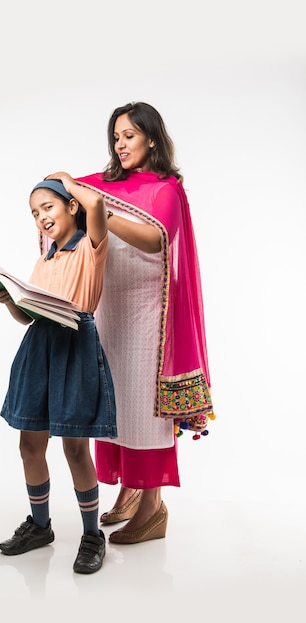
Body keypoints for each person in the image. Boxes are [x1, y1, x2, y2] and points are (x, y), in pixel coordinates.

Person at [76, 102, 215, 544]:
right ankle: (129, 490)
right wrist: (61, 184)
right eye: (116, 137)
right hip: (108, 312)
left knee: (143, 410)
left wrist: (100, 214)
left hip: (146, 318)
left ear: (151, 138)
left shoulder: (166, 188)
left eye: (129, 136)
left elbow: (157, 239)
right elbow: (68, 196)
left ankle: (153, 509)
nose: (120, 145)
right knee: (113, 408)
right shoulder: (105, 185)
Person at [0, 173, 117, 573]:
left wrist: (64, 179)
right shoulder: (44, 259)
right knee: (30, 444)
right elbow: (26, 319)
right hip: (39, 347)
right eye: (34, 213)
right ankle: (41, 526)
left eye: (48, 207)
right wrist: (9, 299)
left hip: (74, 345)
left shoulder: (90, 247)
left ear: (70, 206)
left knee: (75, 448)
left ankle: (92, 535)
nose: (41, 217)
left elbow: (96, 206)